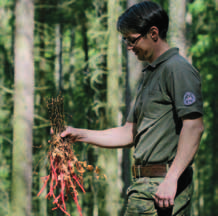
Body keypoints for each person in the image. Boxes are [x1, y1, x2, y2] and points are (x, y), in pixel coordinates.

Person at [60, 1, 204, 215]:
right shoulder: (150, 74)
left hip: (162, 188)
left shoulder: (177, 69)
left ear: (153, 33)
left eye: (132, 39)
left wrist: (171, 179)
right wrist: (80, 135)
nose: (128, 46)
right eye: (125, 40)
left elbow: (193, 127)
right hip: (145, 187)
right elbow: (129, 132)